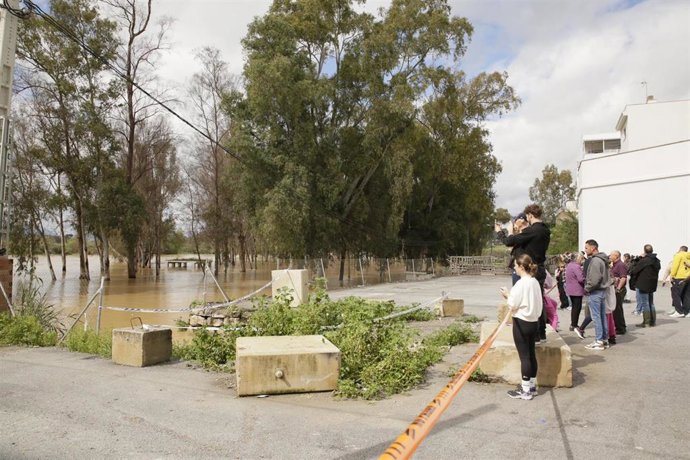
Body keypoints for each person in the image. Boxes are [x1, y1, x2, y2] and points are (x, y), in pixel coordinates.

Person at [495, 204, 550, 342]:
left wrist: (501, 231)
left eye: (527, 217)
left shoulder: (533, 230)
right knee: (538, 301)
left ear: (530, 216)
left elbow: (509, 241)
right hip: (539, 268)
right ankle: (541, 333)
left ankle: (531, 335)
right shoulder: (545, 230)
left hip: (529, 271)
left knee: (524, 302)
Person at [500, 254, 543, 400]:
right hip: (533, 321)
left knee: (524, 356)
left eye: (515, 266)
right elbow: (539, 303)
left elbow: (513, 304)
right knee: (531, 354)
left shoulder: (521, 283)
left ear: (521, 267)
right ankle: (531, 386)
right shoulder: (535, 282)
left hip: (521, 322)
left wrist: (507, 295)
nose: (514, 268)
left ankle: (525, 391)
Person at [583, 239, 611, 350]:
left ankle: (599, 341)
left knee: (596, 317)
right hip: (602, 291)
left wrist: (587, 288)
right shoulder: (602, 259)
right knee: (602, 316)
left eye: (586, 248)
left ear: (593, 248)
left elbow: (595, 279)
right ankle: (604, 339)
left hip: (595, 291)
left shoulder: (595, 261)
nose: (585, 250)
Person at [629, 244, 662, 328]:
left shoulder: (644, 260)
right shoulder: (657, 260)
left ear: (644, 251)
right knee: (651, 303)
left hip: (643, 284)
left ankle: (646, 322)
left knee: (645, 303)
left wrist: (638, 259)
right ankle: (652, 321)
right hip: (652, 284)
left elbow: (634, 270)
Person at [566, 253, 586, 335]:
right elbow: (581, 279)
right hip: (577, 290)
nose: (582, 260)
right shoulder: (576, 266)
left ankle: (573, 324)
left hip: (571, 289)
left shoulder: (569, 265)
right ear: (577, 259)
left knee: (574, 307)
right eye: (581, 258)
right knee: (577, 307)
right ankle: (574, 324)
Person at [609, 250, 628, 334]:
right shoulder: (614, 264)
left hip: (619, 290)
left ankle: (621, 328)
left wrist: (618, 289)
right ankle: (619, 326)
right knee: (616, 309)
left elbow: (623, 277)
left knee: (617, 310)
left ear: (616, 256)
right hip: (615, 289)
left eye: (611, 255)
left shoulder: (621, 265)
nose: (609, 256)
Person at [668, 245, 690, 318]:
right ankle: (687, 312)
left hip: (679, 277)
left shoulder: (678, 255)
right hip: (688, 277)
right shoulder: (688, 256)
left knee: (675, 294)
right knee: (686, 295)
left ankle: (679, 311)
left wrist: (672, 275)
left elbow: (675, 266)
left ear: (680, 249)